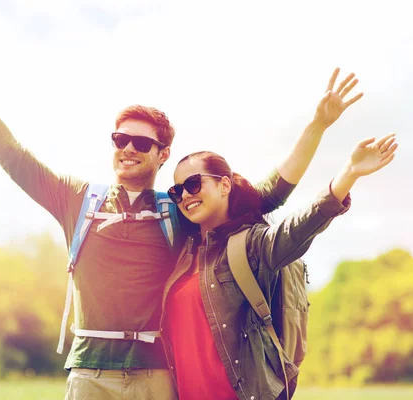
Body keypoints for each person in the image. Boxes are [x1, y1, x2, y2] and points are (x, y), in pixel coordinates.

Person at [0, 17, 364, 400]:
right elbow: (10, 155)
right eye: (120, 139)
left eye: (141, 142)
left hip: (158, 377)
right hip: (89, 375)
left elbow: (269, 193)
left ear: (162, 154)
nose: (128, 148)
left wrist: (317, 126)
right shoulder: (78, 200)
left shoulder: (179, 210)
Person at [160, 134, 398, 400]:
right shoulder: (183, 253)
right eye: (176, 190)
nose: (183, 195)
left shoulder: (250, 244)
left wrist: (349, 174)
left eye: (192, 184)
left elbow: (296, 229)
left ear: (224, 185)